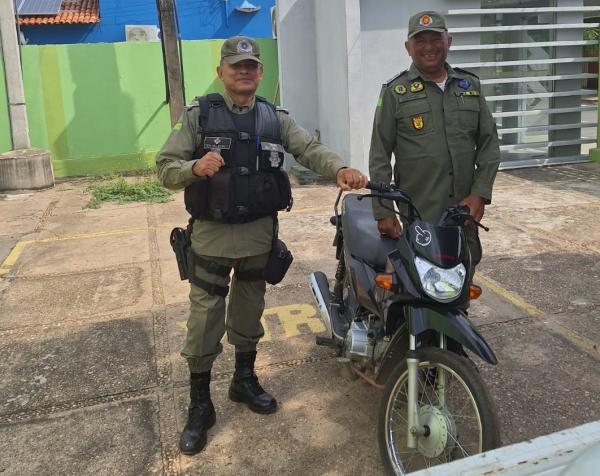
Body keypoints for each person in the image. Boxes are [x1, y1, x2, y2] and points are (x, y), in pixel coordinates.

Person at [156, 35, 367, 456]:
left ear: (260, 72)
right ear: (221, 72)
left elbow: (308, 149)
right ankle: (200, 404)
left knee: (250, 310)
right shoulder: (199, 116)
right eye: (236, 65)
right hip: (212, 236)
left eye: (251, 64)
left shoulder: (275, 119)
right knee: (203, 319)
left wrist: (339, 168)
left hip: (257, 235)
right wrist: (195, 167)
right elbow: (164, 168)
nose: (244, 71)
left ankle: (243, 380)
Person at [369, 10, 500, 276]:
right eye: (420, 40)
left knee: (460, 285)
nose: (429, 47)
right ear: (408, 48)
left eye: (435, 39)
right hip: (419, 216)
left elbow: (488, 143)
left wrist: (481, 193)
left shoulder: (469, 86)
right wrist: (383, 210)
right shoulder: (395, 92)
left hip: (464, 216)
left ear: (448, 42)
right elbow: (379, 154)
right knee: (420, 289)